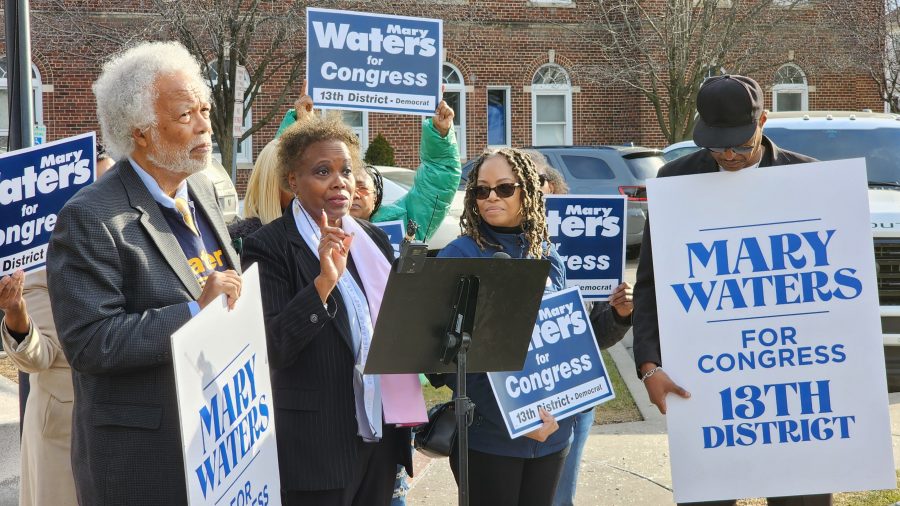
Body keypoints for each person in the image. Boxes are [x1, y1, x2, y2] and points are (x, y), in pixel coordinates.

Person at [47, 41, 242, 505]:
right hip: (145, 464)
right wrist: (194, 312)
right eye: (184, 115)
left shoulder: (201, 190)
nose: (204, 125)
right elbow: (91, 343)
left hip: (217, 448)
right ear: (141, 132)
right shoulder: (90, 219)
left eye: (204, 109)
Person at [632, 74, 829, 506]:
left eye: (739, 144)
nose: (727, 155)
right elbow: (649, 285)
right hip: (707, 385)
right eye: (715, 145)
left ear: (764, 119)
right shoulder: (674, 180)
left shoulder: (810, 179)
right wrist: (649, 364)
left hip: (797, 386)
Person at [241, 114, 411, 506]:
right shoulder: (269, 246)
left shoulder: (371, 239)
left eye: (347, 170)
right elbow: (274, 347)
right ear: (292, 181)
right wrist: (322, 285)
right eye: (323, 171)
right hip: (315, 447)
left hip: (378, 435)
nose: (340, 182)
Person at [433, 147, 570, 505]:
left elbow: (566, 340)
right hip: (490, 437)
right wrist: (519, 417)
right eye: (481, 190)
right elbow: (444, 360)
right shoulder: (459, 256)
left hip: (553, 435)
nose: (490, 197)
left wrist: (619, 317)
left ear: (527, 190)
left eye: (504, 188)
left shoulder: (546, 253)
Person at [521, 150, 635, 506]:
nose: (524, 192)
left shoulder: (591, 239)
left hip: (574, 394)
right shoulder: (492, 245)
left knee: (558, 496)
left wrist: (620, 314)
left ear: (552, 188)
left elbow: (599, 333)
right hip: (517, 392)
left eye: (531, 182)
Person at [0, 159, 113, 506]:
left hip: (120, 420)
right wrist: (16, 313)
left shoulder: (122, 248)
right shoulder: (41, 269)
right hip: (63, 428)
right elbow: (39, 355)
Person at [277, 84, 461, 241]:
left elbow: (437, 181)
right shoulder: (307, 225)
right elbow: (283, 177)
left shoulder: (403, 225)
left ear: (376, 199)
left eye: (362, 187)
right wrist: (299, 125)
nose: (351, 191)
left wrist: (440, 135)